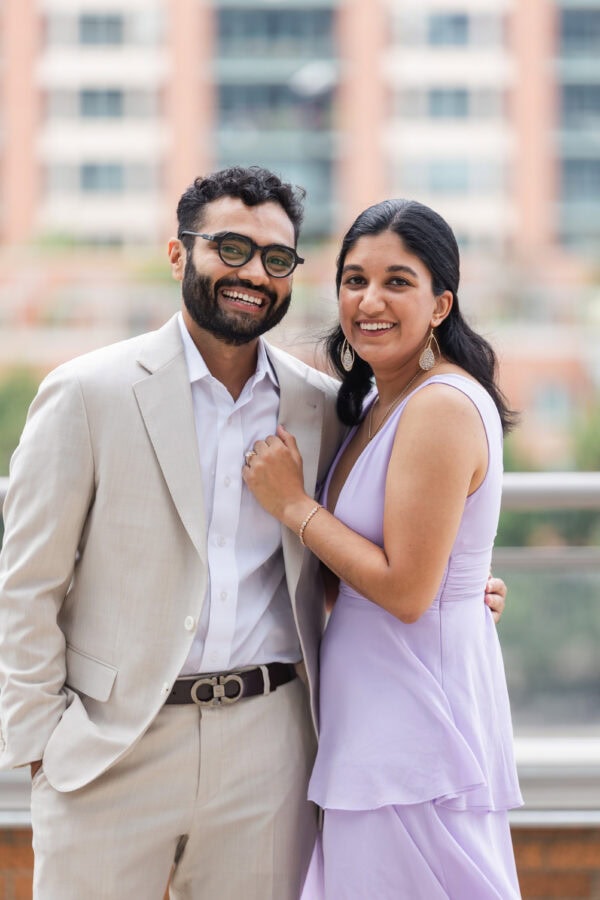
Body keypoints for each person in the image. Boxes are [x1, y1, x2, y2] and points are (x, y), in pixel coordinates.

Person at [0, 167, 507, 900]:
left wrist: (461, 588)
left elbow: (382, 545)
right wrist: (40, 744)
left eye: (275, 259)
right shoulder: (87, 393)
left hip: (272, 750)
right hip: (110, 749)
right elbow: (26, 584)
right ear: (180, 255)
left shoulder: (325, 408)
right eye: (229, 248)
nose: (252, 274)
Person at [243, 198, 522, 899]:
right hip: (374, 703)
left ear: (439, 304)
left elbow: (402, 592)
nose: (369, 299)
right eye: (353, 279)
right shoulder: (376, 403)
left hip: (412, 716)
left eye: (398, 281)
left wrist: (294, 505)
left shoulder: (439, 406)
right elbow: (366, 577)